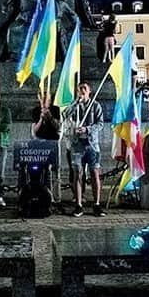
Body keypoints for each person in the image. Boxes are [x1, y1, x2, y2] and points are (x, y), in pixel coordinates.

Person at [64, 83, 105, 217]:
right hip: (77, 145)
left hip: (92, 145)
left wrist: (87, 129)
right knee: (78, 173)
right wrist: (76, 102)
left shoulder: (95, 106)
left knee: (94, 172)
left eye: (84, 89)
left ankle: (97, 204)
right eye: (79, 90)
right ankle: (79, 204)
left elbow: (100, 124)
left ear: (89, 91)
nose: (81, 92)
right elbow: (64, 115)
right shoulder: (74, 105)